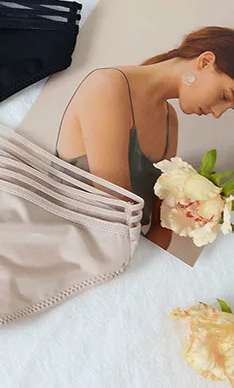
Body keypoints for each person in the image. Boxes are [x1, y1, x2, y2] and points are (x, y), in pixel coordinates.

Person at [56, 26, 234, 247]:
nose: (217, 113)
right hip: (70, 242)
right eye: (224, 96)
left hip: (121, 251)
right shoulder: (108, 86)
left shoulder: (170, 120)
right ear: (205, 62)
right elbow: (116, 208)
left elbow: (160, 225)